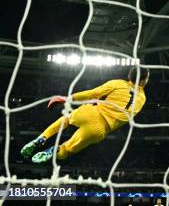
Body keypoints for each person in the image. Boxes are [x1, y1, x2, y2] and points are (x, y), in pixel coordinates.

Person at [20, 67, 149, 163]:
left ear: (130, 76)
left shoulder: (118, 83)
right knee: (67, 149)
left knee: (65, 120)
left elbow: (92, 93)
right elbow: (127, 116)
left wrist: (68, 98)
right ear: (143, 81)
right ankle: (54, 150)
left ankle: (42, 138)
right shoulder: (142, 98)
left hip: (91, 112)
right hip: (99, 129)